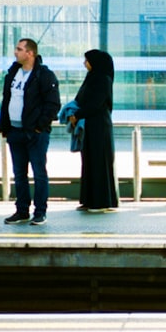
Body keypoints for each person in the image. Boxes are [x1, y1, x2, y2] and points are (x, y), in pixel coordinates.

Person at [0, 38, 61, 225]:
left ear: (30, 53)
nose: (15, 52)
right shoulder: (13, 73)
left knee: (39, 172)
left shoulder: (44, 75)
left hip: (35, 133)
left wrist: (39, 126)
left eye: (19, 49)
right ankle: (22, 210)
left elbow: (53, 104)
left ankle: (40, 211)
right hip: (15, 131)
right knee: (19, 173)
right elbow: (6, 100)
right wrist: (4, 126)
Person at [67, 49, 118, 212]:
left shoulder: (103, 79)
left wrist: (78, 114)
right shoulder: (93, 78)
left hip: (99, 126)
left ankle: (101, 202)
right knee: (89, 162)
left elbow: (96, 103)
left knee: (99, 162)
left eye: (87, 60)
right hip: (90, 125)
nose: (84, 63)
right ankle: (89, 200)